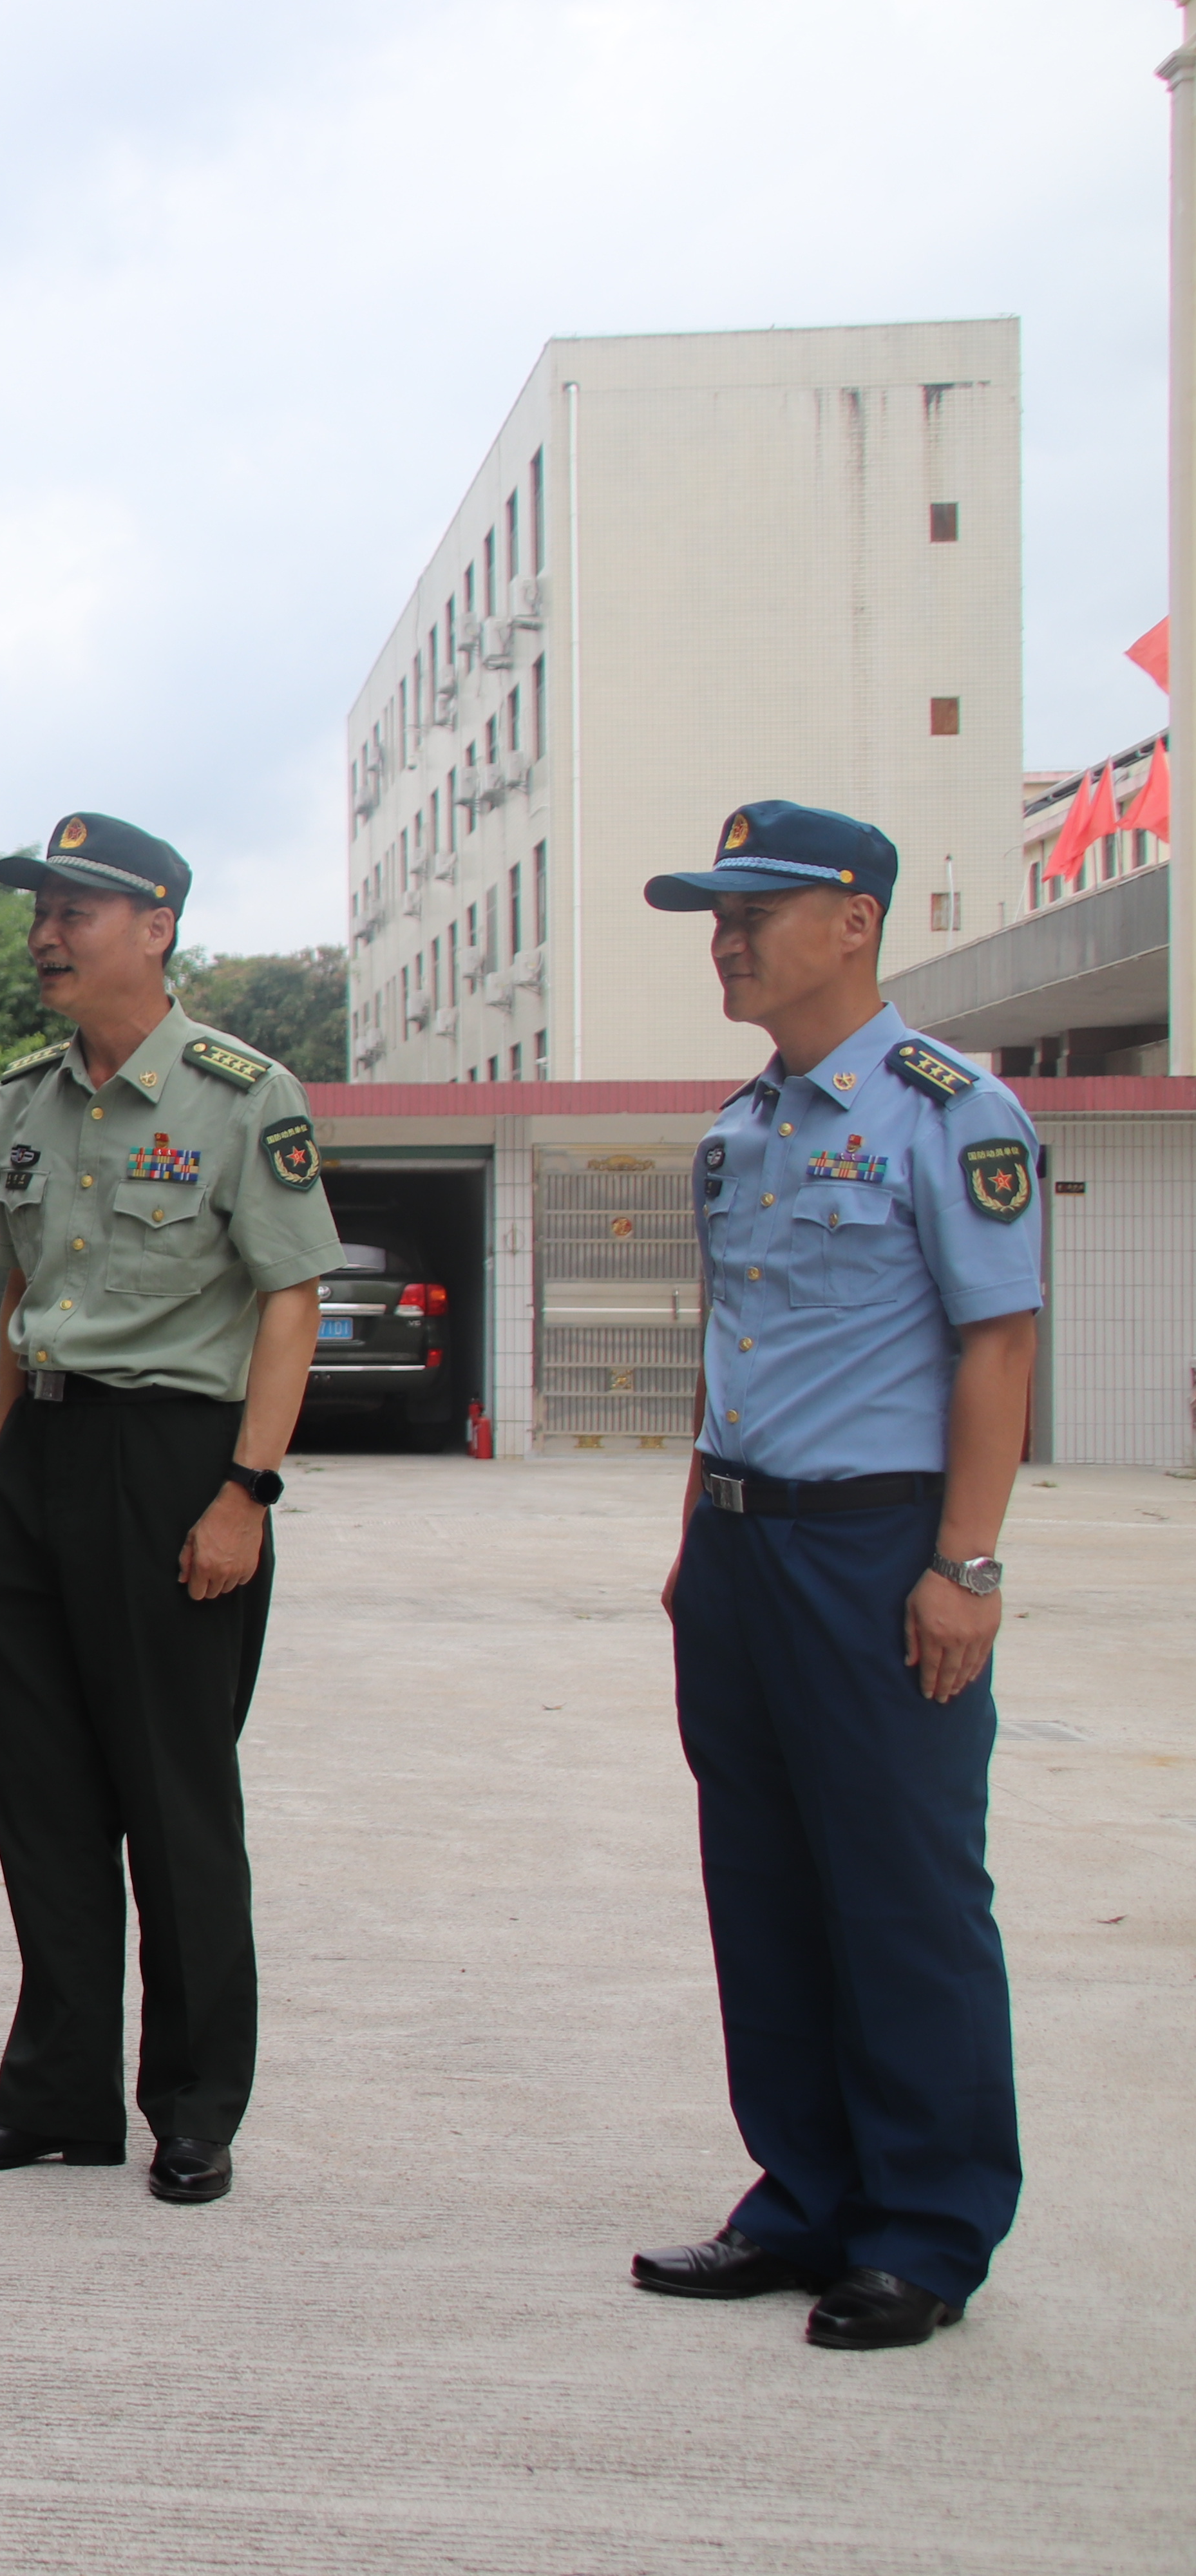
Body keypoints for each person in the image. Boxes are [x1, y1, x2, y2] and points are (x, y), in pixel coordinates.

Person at [625, 802, 1040, 2351]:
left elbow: (998, 1341)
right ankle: (803, 2192)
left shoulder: (953, 1111)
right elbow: (737, 1355)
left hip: (880, 1546)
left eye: (754, 908)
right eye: (712, 913)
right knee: (767, 1881)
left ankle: (927, 2225)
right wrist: (694, 1543)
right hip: (738, 1547)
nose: (724, 937)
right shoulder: (740, 1132)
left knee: (905, 1892)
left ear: (853, 919)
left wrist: (965, 1563)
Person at [0, 813, 337, 2206]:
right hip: (42, 1461)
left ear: (155, 927)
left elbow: (290, 1298)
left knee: (175, 1801)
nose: (46, 929)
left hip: (177, 1462)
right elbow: (27, 1304)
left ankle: (196, 2104)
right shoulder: (23, 1097)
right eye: (39, 905)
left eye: (77, 908)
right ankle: (57, 2093)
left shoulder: (241, 1091)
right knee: (41, 1801)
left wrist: (246, 1492)